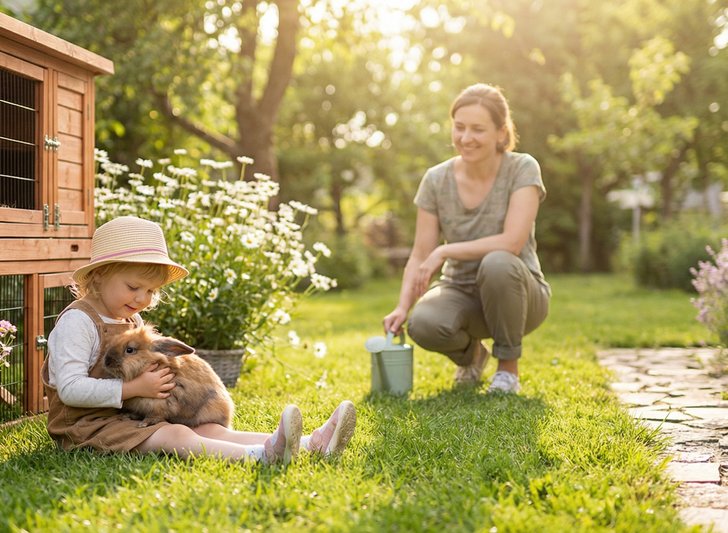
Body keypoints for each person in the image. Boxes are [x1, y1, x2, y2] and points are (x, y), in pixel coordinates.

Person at [43, 216, 356, 463]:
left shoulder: (130, 319)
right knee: (177, 436)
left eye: (151, 291)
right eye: (133, 286)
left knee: (210, 429)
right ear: (99, 275)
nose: (142, 298)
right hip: (85, 428)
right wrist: (134, 388)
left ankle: (311, 444)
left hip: (130, 418)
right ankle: (264, 457)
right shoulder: (78, 322)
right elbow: (70, 389)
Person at [383, 83, 551, 394]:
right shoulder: (436, 179)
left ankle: (507, 372)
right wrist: (402, 307)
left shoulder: (522, 168)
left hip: (520, 294)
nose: (465, 138)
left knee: (498, 262)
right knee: (423, 322)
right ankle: (474, 357)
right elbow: (421, 253)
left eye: (477, 129)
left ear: (502, 133)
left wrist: (445, 252)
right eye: (459, 127)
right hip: (460, 290)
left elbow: (512, 242)